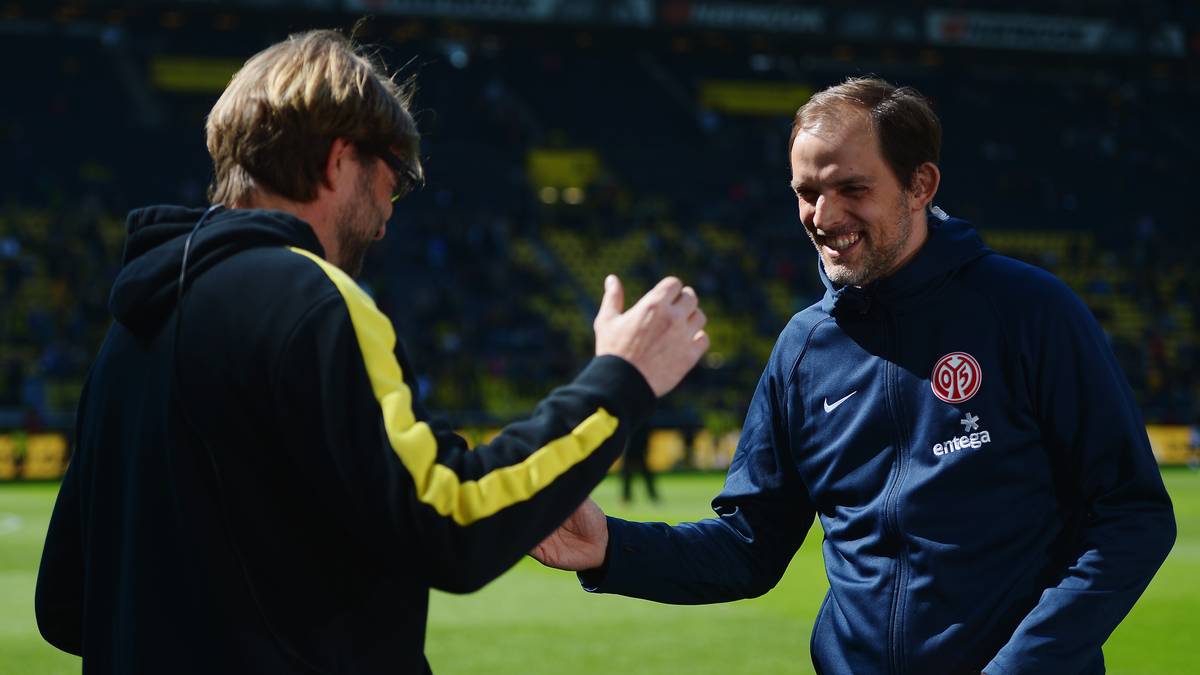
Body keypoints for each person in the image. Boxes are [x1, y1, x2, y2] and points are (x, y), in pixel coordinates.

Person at [34, 30, 710, 674]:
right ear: (340, 158)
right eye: (397, 178)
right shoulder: (312, 299)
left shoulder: (132, 326)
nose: (389, 216)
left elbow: (66, 602)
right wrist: (619, 378)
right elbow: (452, 516)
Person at [533, 77, 1176, 674]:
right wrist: (610, 546)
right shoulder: (803, 351)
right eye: (807, 193)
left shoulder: (1028, 312)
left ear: (920, 185)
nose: (823, 215)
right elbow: (749, 547)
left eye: (852, 189)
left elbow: (1131, 515)